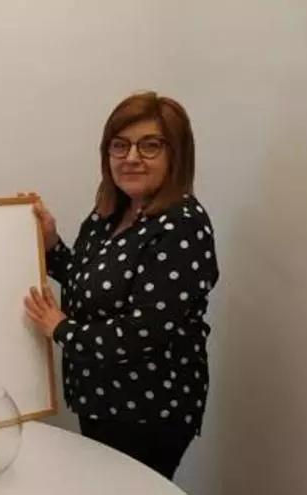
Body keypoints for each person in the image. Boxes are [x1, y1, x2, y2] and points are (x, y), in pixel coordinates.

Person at [22, 91, 219, 481]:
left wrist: (61, 329)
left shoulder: (182, 226)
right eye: (120, 145)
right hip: (100, 398)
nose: (131, 157)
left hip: (148, 411)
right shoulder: (112, 212)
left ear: (176, 154)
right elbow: (88, 281)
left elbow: (141, 332)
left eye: (150, 145)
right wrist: (52, 244)